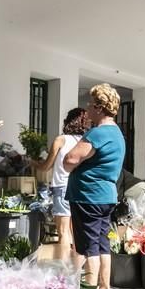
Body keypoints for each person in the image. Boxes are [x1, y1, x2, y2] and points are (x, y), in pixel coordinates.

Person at [64, 84, 125, 289]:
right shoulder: (117, 133)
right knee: (101, 245)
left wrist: (70, 166)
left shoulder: (98, 133)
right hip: (106, 196)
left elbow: (70, 158)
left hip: (88, 196)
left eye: (90, 104)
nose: (88, 109)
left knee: (88, 247)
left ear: (99, 107)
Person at [32, 108, 90, 260]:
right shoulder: (87, 142)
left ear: (68, 121)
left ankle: (63, 271)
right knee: (76, 231)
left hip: (62, 187)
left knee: (63, 231)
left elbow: (46, 166)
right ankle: (76, 268)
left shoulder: (61, 140)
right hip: (81, 188)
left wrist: (33, 163)